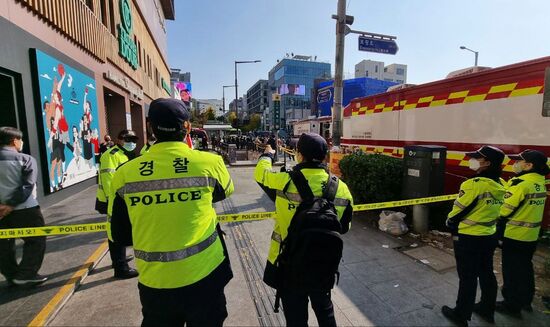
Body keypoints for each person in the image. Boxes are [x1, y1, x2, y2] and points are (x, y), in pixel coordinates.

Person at [109, 98, 234, 327]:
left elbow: (120, 235)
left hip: (155, 282)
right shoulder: (211, 162)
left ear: (150, 127)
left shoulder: (124, 173)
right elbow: (222, 193)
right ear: (187, 127)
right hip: (205, 274)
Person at [254, 132, 354, 327]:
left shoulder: (284, 180)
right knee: (325, 310)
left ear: (298, 154)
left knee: (295, 317)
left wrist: (267, 154)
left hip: (289, 263)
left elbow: (260, 174)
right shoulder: (341, 188)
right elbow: (344, 228)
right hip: (323, 264)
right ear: (325, 156)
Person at [442, 146, 506, 326]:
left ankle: (460, 315)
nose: (473, 160)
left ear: (487, 163)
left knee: (468, 277)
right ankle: (487, 309)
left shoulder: (473, 184)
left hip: (468, 238)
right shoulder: (501, 183)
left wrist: (449, 223)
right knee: (486, 272)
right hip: (489, 235)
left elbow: (457, 212)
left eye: (478, 158)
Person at [496, 150, 549, 318]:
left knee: (512, 271)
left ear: (529, 165)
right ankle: (526, 300)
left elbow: (503, 211)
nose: (515, 164)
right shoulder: (539, 182)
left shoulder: (520, 184)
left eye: (519, 161)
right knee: (525, 268)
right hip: (531, 235)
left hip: (515, 234)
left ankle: (512, 305)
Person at [0, 127, 48, 286]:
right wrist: (10, 205)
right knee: (36, 240)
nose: (22, 143)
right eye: (20, 140)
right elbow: (27, 186)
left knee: (4, 245)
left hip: (1, 214)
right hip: (26, 210)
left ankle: (12, 275)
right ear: (14, 140)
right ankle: (26, 274)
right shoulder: (25, 159)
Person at [95, 129, 139, 279]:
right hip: (112, 200)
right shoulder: (111, 155)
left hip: (120, 199)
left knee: (119, 229)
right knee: (115, 230)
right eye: (128, 140)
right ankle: (120, 267)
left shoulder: (123, 154)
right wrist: (113, 200)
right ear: (119, 139)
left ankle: (119, 258)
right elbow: (109, 180)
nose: (131, 143)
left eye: (133, 140)